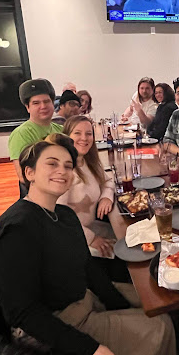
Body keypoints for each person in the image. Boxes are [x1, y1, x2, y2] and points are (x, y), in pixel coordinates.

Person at [0, 133, 179, 355]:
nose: (62, 171)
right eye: (52, 163)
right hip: (53, 325)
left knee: (157, 300)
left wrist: (119, 305)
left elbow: (88, 268)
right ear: (29, 173)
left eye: (68, 166)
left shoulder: (64, 215)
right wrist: (88, 349)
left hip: (81, 298)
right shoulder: (17, 229)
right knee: (160, 326)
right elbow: (22, 312)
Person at [58, 116, 127, 278]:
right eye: (77, 133)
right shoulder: (64, 171)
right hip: (73, 237)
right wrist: (91, 239)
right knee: (126, 255)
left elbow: (108, 181)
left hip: (91, 226)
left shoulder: (87, 161)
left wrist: (106, 197)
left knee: (129, 240)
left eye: (89, 134)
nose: (84, 138)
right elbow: (59, 217)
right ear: (67, 137)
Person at [8, 79, 63, 196]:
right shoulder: (21, 134)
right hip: (41, 196)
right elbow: (23, 176)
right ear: (27, 107)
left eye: (46, 101)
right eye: (36, 103)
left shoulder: (61, 129)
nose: (43, 106)